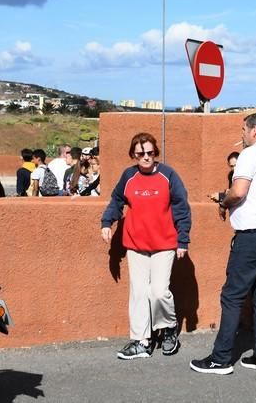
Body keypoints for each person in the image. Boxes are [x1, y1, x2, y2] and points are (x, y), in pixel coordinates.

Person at [190, 112, 256, 375]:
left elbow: (239, 191)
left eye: (244, 129)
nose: (242, 134)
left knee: (232, 295)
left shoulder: (250, 155)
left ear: (255, 131)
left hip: (253, 236)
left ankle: (221, 358)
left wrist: (224, 202)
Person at [101, 132, 191, 359]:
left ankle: (169, 328)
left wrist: (183, 239)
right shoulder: (128, 176)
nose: (146, 157)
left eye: (150, 153)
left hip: (164, 244)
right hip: (136, 244)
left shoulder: (168, 175)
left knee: (159, 292)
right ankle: (141, 340)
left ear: (156, 154)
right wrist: (107, 222)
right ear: (133, 154)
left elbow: (181, 207)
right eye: (141, 153)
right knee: (139, 293)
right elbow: (116, 201)